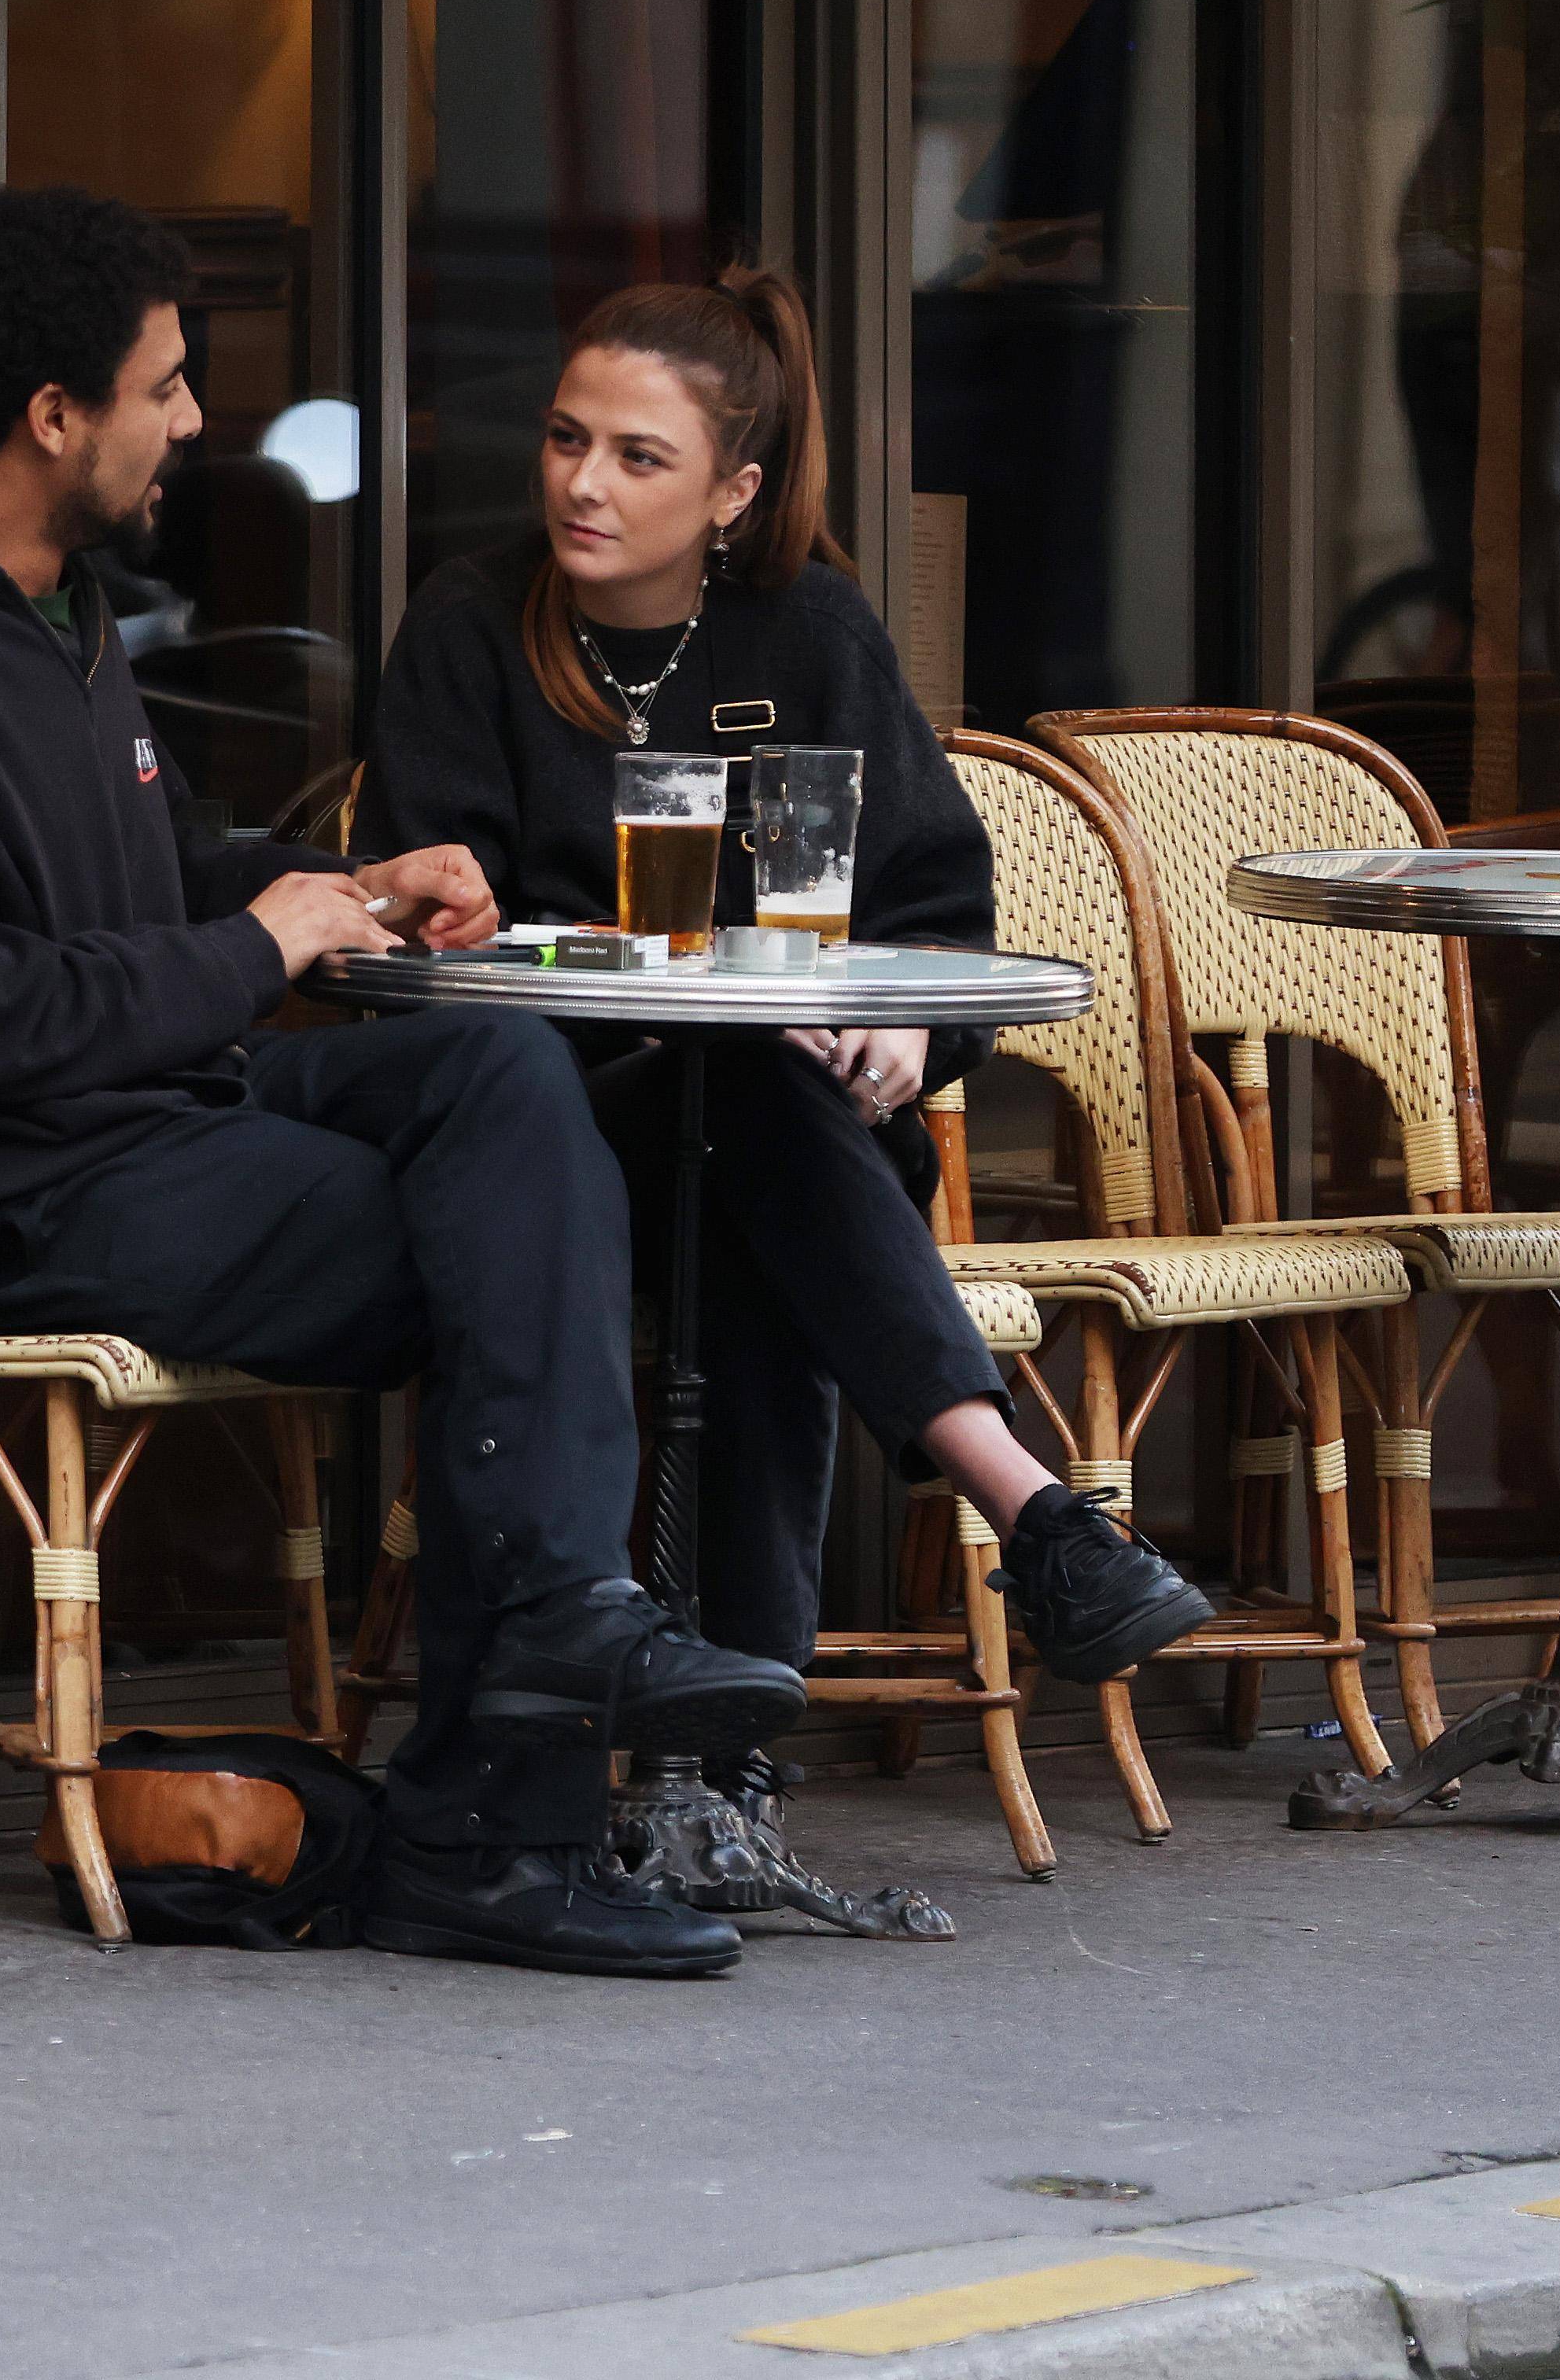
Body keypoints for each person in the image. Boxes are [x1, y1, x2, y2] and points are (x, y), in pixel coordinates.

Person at [0, 188, 801, 1979]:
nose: (196, 420)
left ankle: (540, 1651)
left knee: (493, 1069)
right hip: (4, 1196)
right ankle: (500, 1807)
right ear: (53, 415)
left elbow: (120, 890)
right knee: (523, 1242)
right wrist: (261, 942)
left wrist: (356, 891)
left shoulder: (54, 616)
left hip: (144, 1127)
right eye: (165, 382)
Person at [366, 265, 1212, 1787]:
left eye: (636, 457)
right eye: (566, 440)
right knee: (749, 1118)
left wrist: (907, 1040)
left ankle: (732, 1767)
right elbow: (440, 926)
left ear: (733, 491)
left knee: (754, 1172)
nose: (582, 484)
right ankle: (1025, 1511)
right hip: (542, 1133)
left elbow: (932, 906)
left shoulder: (808, 629)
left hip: (758, 1135)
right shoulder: (472, 626)